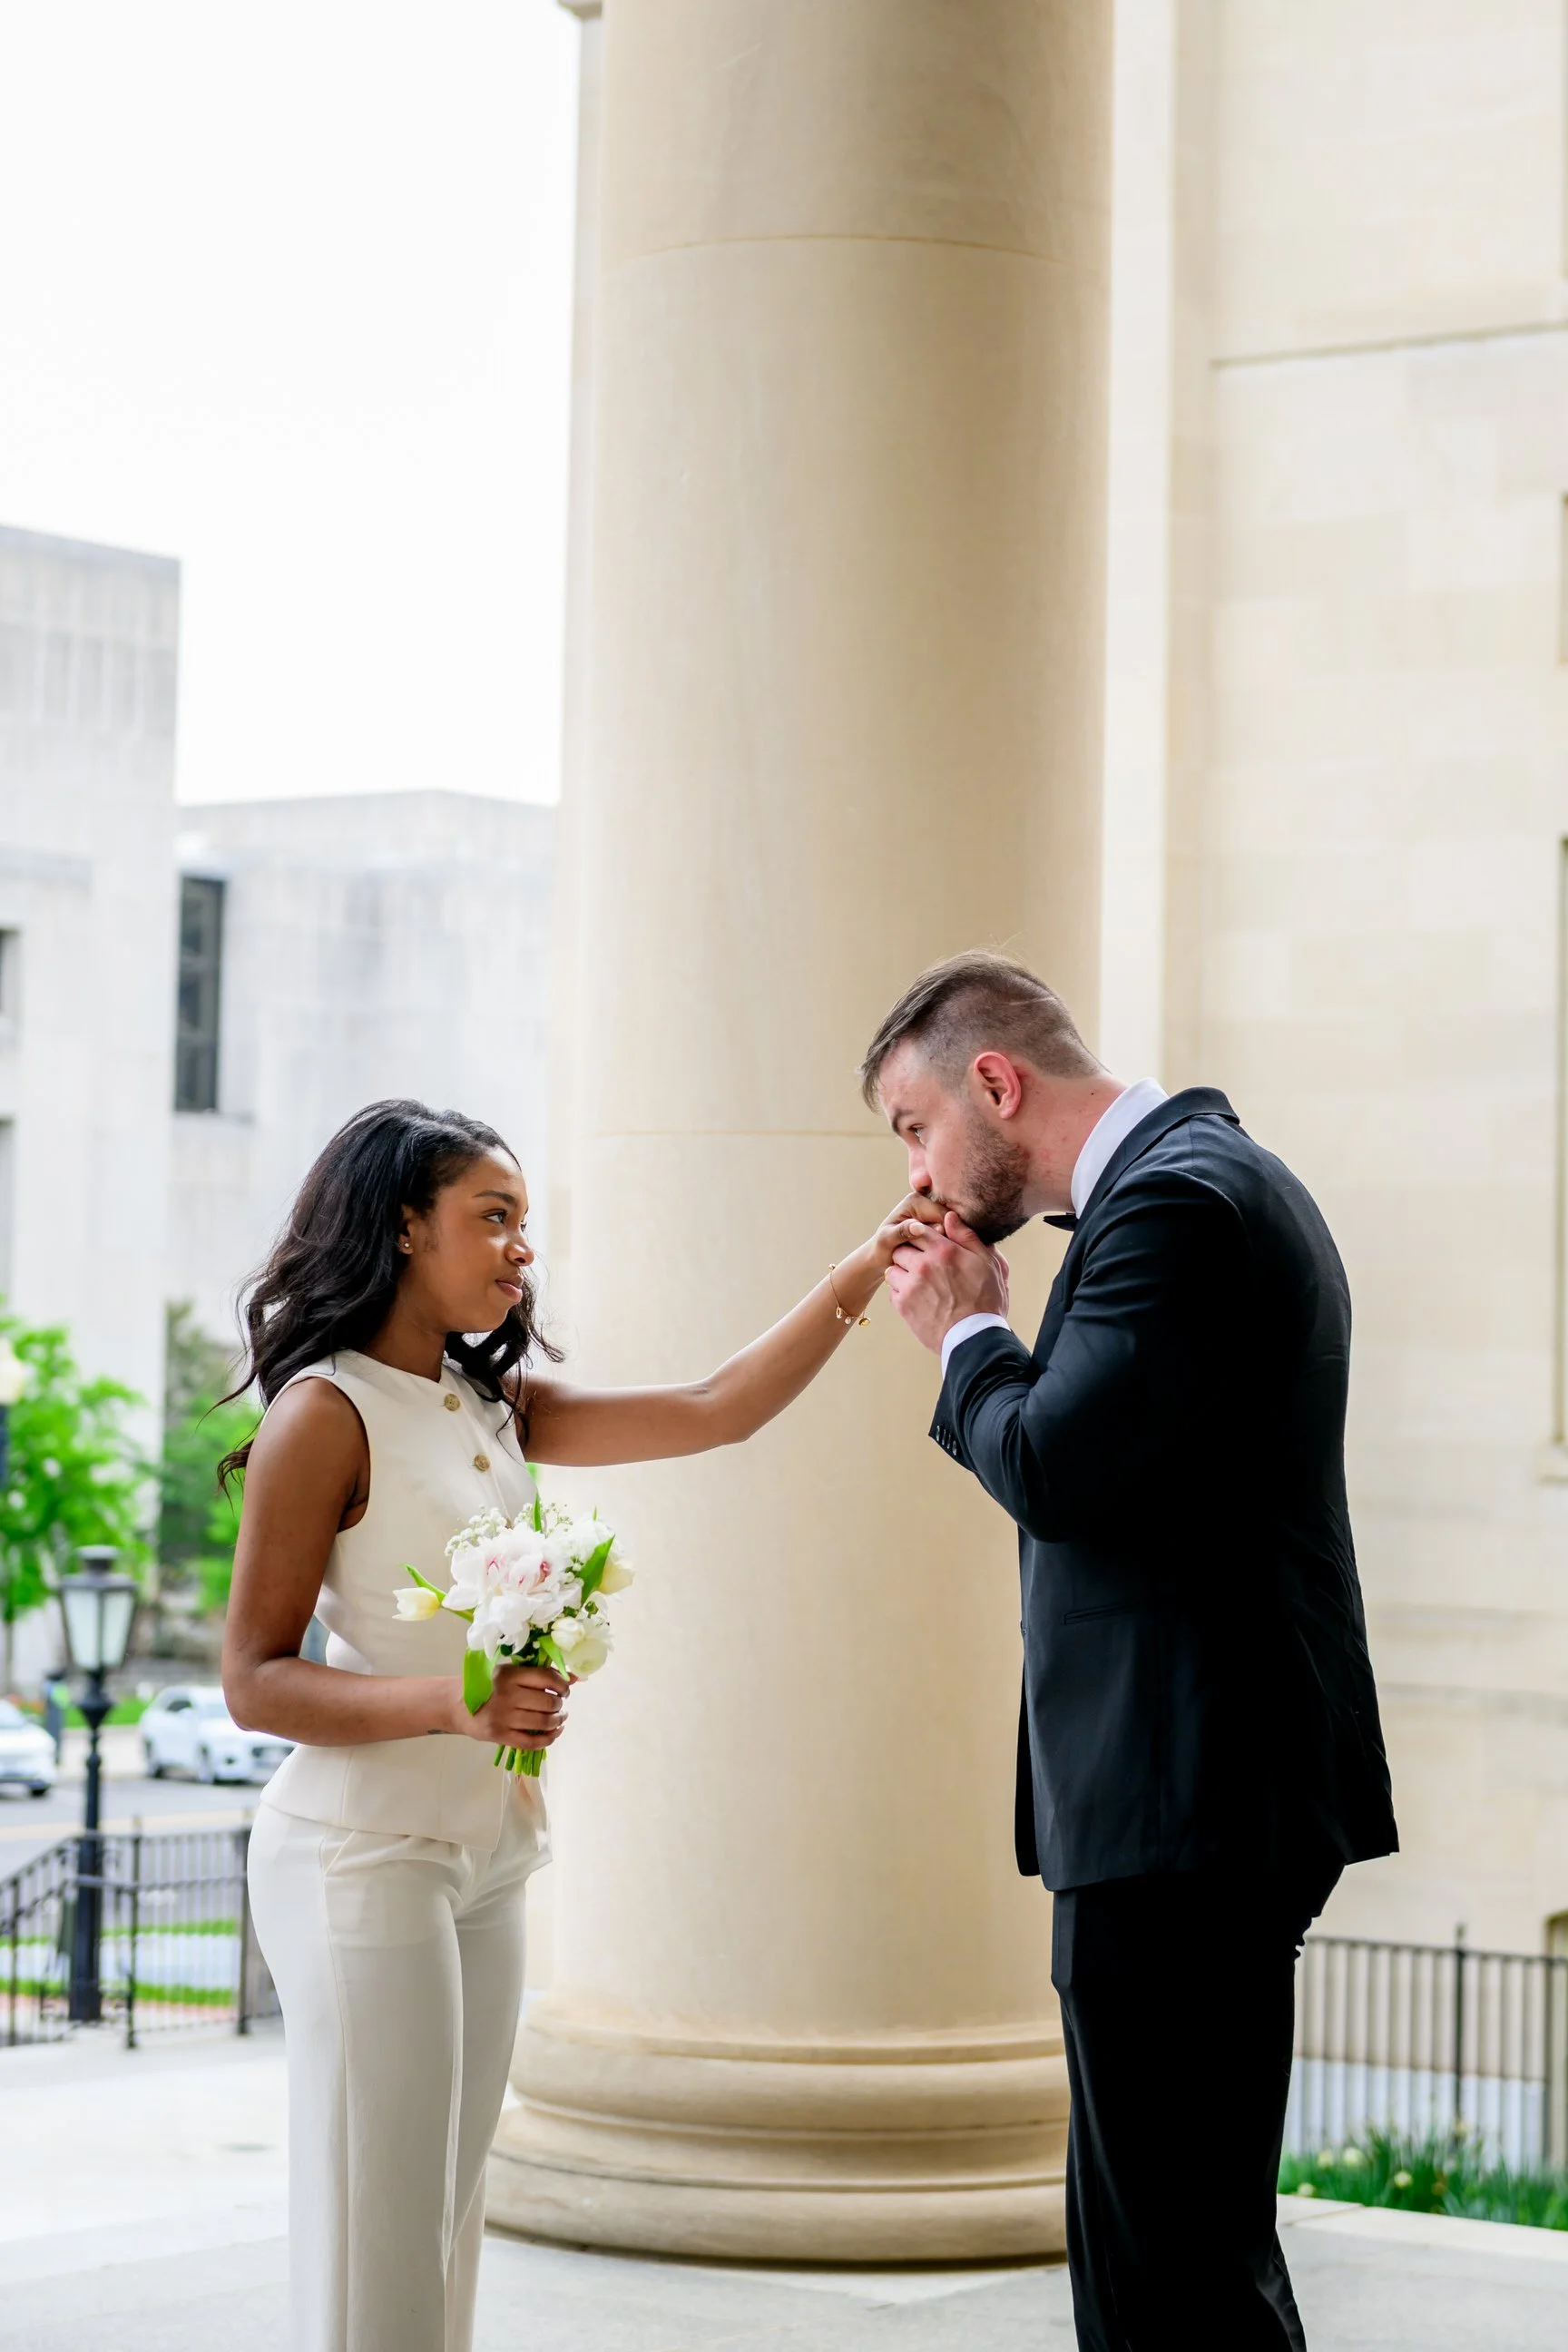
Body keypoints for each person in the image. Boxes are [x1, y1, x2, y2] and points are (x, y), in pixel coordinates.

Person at [220, 1097, 926, 2352]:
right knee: (374, 2231)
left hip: (487, 1852)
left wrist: (868, 1266)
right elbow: (254, 1680)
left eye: (524, 1224)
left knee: (444, 2223)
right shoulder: (322, 1415)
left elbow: (718, 1406)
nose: (519, 1250)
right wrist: (456, 1701)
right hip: (359, 1859)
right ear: (401, 1227)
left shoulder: (488, 1405)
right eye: (493, 1218)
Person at [862, 951, 1396, 2352]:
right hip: (1196, 1796)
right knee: (1173, 2247)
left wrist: (967, 1331)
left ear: (995, 1083)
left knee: (1173, 2269)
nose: (918, 1177)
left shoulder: (1175, 1204)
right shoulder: (1202, 1178)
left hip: (1185, 1802)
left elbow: (1053, 1464)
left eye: (914, 1128)